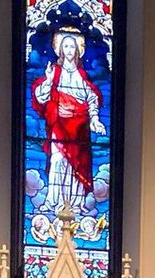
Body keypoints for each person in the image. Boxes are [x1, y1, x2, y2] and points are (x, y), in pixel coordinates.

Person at [32, 31, 105, 215]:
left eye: (73, 46)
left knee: (76, 167)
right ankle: (53, 201)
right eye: (66, 46)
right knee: (58, 160)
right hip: (59, 126)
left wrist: (95, 119)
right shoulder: (54, 73)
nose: (70, 50)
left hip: (79, 129)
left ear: (78, 51)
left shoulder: (82, 76)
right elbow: (40, 97)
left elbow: (92, 98)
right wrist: (48, 80)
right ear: (60, 50)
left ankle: (75, 205)